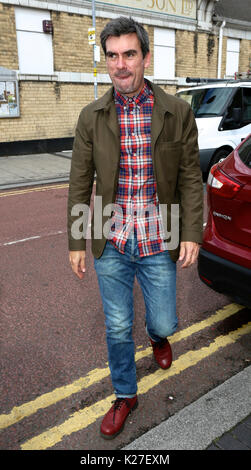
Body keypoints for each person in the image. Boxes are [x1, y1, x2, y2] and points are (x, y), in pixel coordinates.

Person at [67, 16, 203, 439]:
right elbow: (78, 181)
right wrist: (76, 238)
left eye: (129, 54)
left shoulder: (176, 111)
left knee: (164, 321)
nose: (121, 65)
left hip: (159, 234)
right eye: (112, 56)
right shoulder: (91, 117)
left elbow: (189, 178)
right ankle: (125, 394)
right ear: (105, 60)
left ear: (146, 57)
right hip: (112, 236)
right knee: (116, 325)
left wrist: (192, 232)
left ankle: (158, 337)